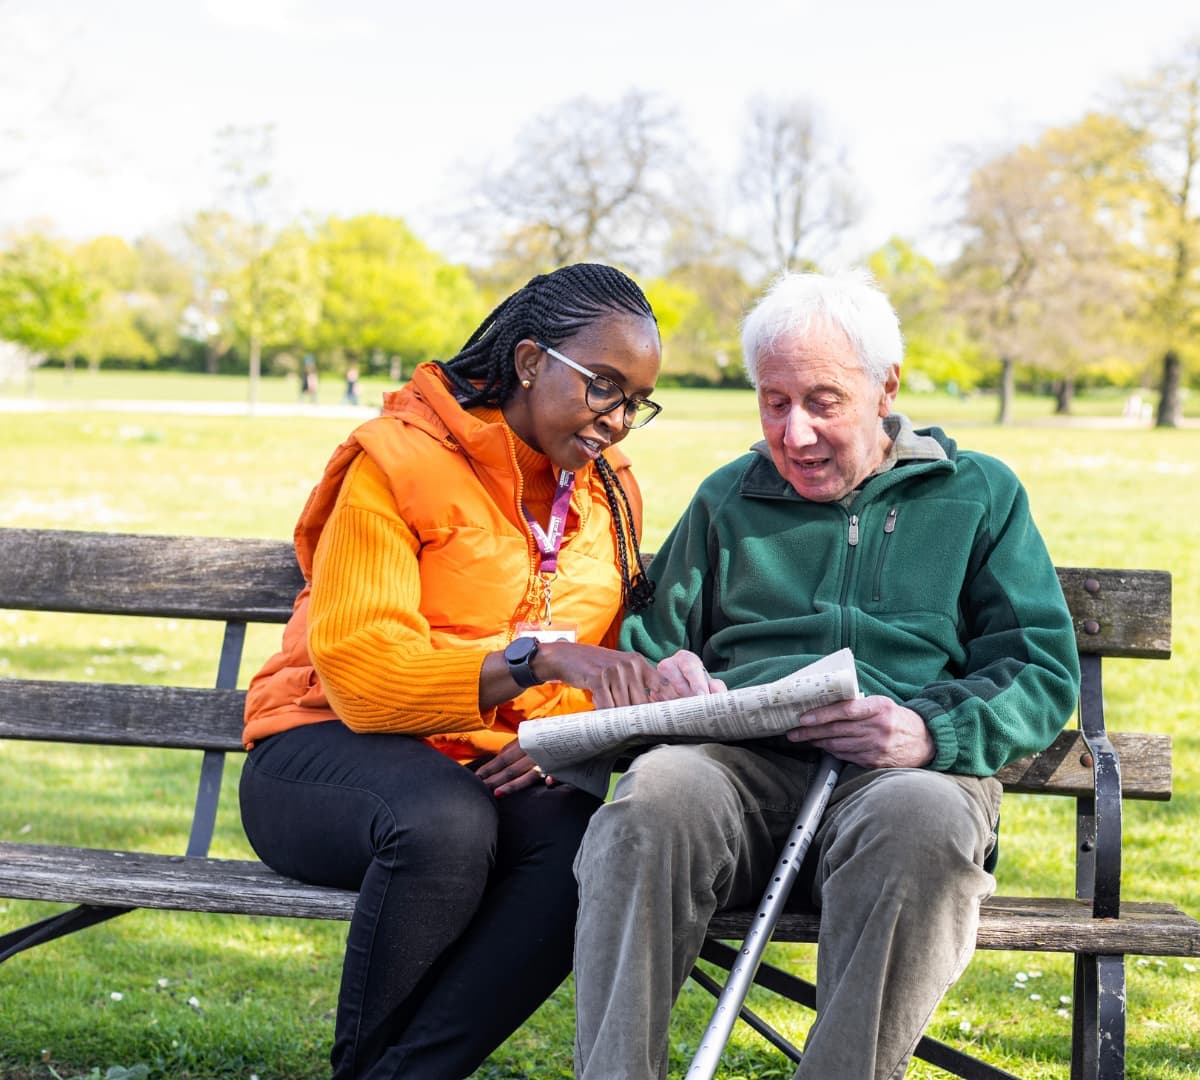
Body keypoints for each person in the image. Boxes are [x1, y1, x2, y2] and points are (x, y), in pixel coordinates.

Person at [571, 268, 1081, 1079]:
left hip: (899, 778)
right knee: (653, 802)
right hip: (736, 772)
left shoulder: (978, 493)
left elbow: (1041, 667)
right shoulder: (727, 498)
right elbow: (649, 642)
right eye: (774, 401)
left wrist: (929, 731)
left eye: (822, 401)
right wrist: (666, 672)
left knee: (923, 825)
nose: (794, 431)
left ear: (886, 388)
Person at [240, 263, 686, 1079]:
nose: (618, 421)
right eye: (604, 389)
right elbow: (363, 677)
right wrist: (533, 660)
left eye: (637, 403)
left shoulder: (608, 491)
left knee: (588, 844)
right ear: (528, 361)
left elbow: (605, 651)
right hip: (320, 748)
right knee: (446, 825)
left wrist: (565, 734)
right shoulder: (397, 462)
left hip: (487, 768)